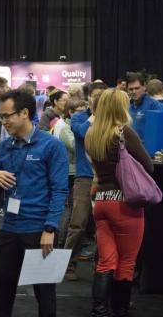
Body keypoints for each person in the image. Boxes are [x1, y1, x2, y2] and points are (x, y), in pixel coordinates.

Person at [0, 90, 69, 317]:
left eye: (7, 116)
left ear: (24, 113)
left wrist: (49, 228)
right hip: (10, 229)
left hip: (39, 230)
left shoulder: (51, 146)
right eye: (1, 117)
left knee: (45, 294)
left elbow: (60, 190)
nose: (4, 122)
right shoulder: (5, 147)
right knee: (2, 292)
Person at [85, 89, 154, 317]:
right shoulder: (124, 133)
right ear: (120, 108)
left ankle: (99, 311)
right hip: (124, 204)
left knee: (106, 261)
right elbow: (149, 166)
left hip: (101, 204)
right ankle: (120, 309)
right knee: (126, 261)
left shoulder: (91, 134)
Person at [64, 81, 107, 281]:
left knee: (104, 224)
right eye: (94, 96)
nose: (97, 100)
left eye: (101, 96)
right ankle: (67, 264)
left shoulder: (110, 118)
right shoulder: (80, 117)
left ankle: (102, 265)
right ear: (87, 98)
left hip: (107, 179)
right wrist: (95, 115)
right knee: (78, 223)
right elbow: (80, 132)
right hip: (85, 177)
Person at [52, 98, 87, 248]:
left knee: (73, 212)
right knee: (73, 213)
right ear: (70, 112)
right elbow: (74, 146)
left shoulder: (65, 124)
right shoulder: (65, 127)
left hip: (71, 170)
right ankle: (62, 246)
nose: (82, 114)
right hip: (70, 172)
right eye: (78, 112)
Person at [127, 72, 163, 140]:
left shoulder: (153, 105)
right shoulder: (127, 106)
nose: (134, 92)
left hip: (146, 148)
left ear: (144, 87)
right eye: (131, 89)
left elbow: (159, 131)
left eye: (137, 88)